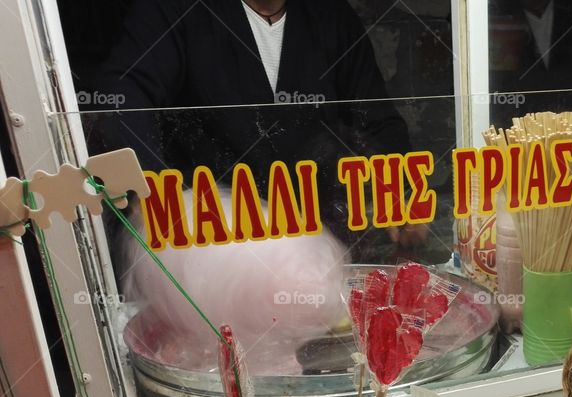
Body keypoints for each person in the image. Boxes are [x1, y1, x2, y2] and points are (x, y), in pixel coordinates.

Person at [95, 0, 423, 247]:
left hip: (320, 241)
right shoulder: (175, 11)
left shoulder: (329, 15)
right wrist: (148, 189)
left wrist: (398, 190)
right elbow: (123, 96)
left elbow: (375, 116)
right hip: (214, 246)